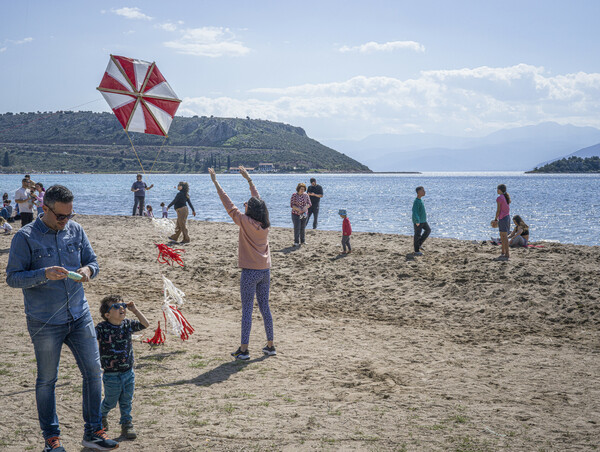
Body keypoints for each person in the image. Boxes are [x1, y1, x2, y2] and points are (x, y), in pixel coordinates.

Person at [5, 185, 118, 452]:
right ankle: (51, 439)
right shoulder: (25, 237)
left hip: (79, 316)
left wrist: (88, 270)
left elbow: (93, 261)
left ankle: (93, 433)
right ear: (44, 209)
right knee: (47, 380)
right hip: (44, 322)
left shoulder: (76, 230)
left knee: (93, 373)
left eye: (70, 214)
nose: (66, 220)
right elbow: (12, 278)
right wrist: (44, 273)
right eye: (61, 216)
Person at [208, 166, 276, 360]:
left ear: (250, 210)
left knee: (247, 310)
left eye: (247, 203)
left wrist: (215, 182)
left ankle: (244, 350)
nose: (245, 203)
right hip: (265, 271)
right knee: (265, 308)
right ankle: (270, 346)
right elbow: (259, 202)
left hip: (250, 272)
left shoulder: (244, 221)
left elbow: (228, 203)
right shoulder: (265, 224)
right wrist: (249, 180)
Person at [96, 294, 149, 439]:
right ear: (107, 314)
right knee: (110, 401)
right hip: (111, 374)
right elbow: (89, 339)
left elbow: (146, 324)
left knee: (126, 401)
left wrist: (135, 310)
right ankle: (101, 415)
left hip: (128, 372)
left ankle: (127, 424)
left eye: (123, 306)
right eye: (116, 306)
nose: (122, 308)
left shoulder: (128, 324)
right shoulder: (102, 328)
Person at [494, 184, 511, 260]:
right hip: (507, 217)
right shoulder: (505, 197)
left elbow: (498, 210)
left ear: (500, 190)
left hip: (503, 218)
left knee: (504, 237)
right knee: (502, 236)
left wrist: (495, 219)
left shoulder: (499, 198)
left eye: (497, 189)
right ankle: (503, 251)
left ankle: (507, 253)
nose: (497, 190)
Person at [412, 186, 430, 256]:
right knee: (417, 235)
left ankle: (419, 244)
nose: (424, 192)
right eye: (423, 190)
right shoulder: (416, 201)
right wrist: (417, 221)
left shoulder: (420, 200)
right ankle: (416, 251)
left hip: (423, 220)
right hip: (418, 221)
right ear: (419, 192)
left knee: (428, 230)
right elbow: (415, 211)